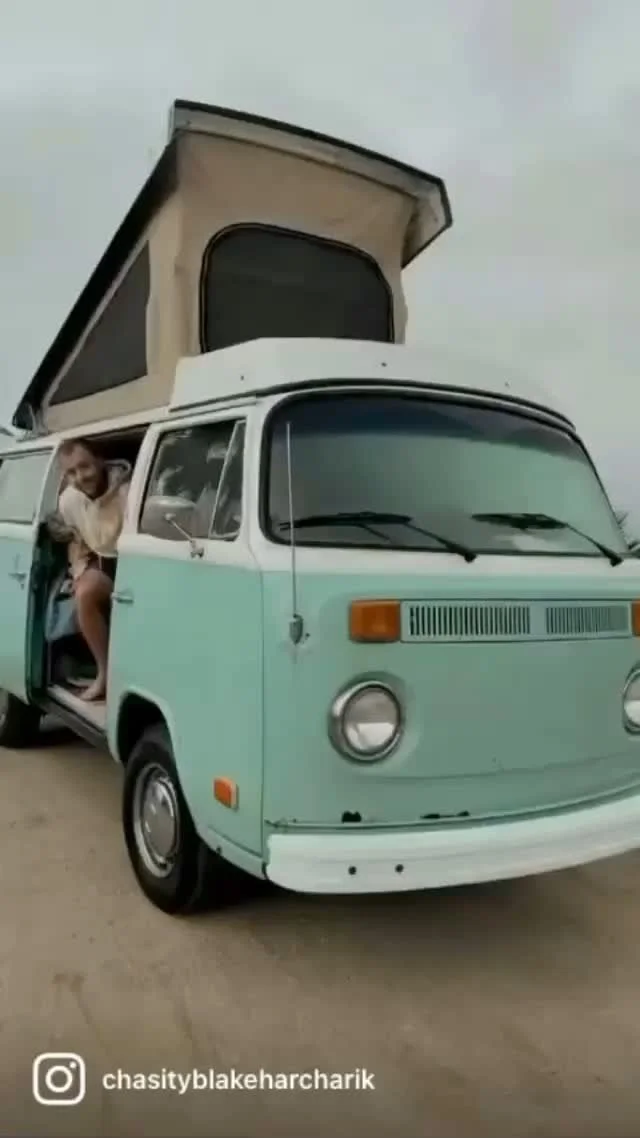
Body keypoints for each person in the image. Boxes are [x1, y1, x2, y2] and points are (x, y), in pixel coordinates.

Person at [47, 439, 131, 702]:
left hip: (135, 560)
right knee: (84, 594)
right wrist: (80, 571)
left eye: (85, 466)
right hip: (105, 560)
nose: (80, 477)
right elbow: (76, 541)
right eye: (71, 472)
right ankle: (104, 674)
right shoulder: (69, 500)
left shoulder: (128, 491)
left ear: (100, 460)